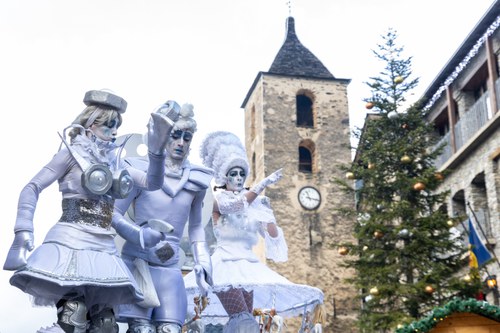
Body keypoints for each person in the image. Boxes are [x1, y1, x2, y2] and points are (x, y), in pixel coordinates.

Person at [3, 89, 175, 333]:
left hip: (104, 249)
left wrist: (157, 151)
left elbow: (152, 183)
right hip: (71, 241)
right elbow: (32, 187)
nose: (115, 132)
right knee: (74, 317)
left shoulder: (116, 162)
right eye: (108, 126)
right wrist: (23, 230)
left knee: (105, 325)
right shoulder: (70, 155)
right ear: (91, 124)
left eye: (117, 126)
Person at [183, 131, 324, 333]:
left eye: (242, 174)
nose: (239, 178)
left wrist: (267, 213)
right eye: (234, 174)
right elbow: (235, 206)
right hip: (225, 266)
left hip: (247, 266)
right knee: (243, 321)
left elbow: (272, 235)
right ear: (225, 176)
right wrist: (262, 185)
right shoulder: (219, 199)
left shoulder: (253, 203)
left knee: (247, 321)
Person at [111, 102, 214, 333]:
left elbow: (196, 228)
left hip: (170, 269)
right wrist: (139, 235)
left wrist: (203, 262)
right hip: (139, 264)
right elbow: (114, 214)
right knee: (141, 330)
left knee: (171, 329)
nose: (181, 142)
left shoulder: (197, 181)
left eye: (187, 137)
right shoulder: (139, 172)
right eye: (176, 135)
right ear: (162, 137)